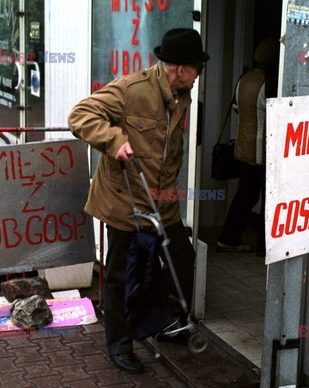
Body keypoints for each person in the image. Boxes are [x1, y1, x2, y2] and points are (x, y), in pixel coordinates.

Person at [68, 28, 209, 374]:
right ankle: (119, 344)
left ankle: (169, 322)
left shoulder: (181, 95)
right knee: (119, 276)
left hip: (162, 202)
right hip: (123, 201)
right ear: (180, 69)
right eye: (196, 68)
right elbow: (80, 115)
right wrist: (114, 139)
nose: (199, 75)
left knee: (181, 259)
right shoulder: (132, 90)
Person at [217, 38, 278, 256]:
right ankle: (264, 248)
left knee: (246, 195)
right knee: (268, 199)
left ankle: (228, 238)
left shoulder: (244, 80)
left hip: (244, 149)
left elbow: (236, 108)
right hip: (263, 151)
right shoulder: (269, 83)